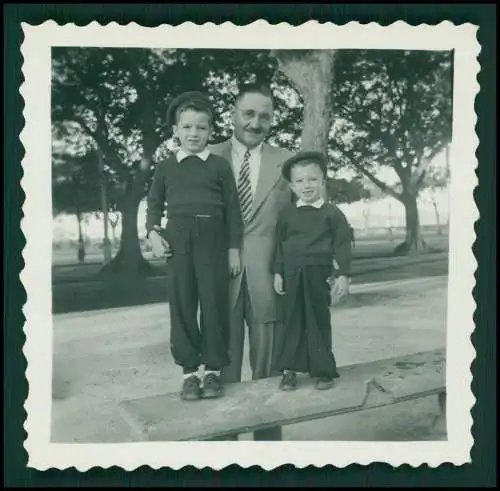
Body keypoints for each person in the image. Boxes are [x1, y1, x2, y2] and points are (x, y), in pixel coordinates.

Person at [146, 91, 244, 402]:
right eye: (187, 127)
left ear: (210, 131)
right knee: (183, 305)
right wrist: (152, 233)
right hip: (178, 240)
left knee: (214, 306)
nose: (193, 134)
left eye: (201, 128)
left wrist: (233, 249)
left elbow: (233, 211)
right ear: (175, 130)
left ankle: (213, 371)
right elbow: (153, 204)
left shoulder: (218, 166)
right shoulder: (165, 167)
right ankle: (189, 373)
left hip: (214, 241)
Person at [209, 83, 293, 440]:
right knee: (221, 379)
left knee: (269, 379)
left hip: (268, 282)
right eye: (249, 113)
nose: (256, 122)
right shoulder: (206, 156)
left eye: (265, 116)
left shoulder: (288, 161)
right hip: (217, 281)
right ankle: (222, 456)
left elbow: (300, 223)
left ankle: (268, 457)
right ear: (233, 113)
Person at [272, 151, 352, 391]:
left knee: (318, 321)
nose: (306, 185)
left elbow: (342, 246)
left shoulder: (332, 214)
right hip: (291, 275)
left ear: (322, 181)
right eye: (300, 181)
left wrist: (343, 275)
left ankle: (322, 370)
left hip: (318, 275)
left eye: (312, 179)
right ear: (292, 186)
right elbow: (279, 245)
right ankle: (289, 371)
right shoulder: (286, 214)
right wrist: (278, 272)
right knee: (291, 321)